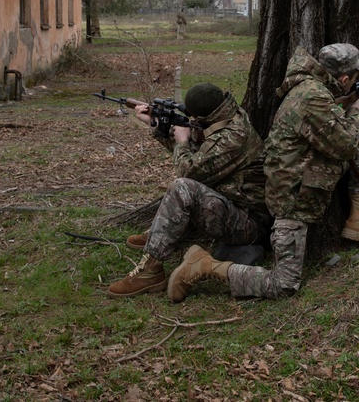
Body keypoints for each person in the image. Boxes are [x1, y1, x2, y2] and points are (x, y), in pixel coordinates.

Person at [166, 43, 359, 303]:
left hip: (298, 186)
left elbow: (337, 130)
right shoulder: (312, 98)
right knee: (284, 284)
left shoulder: (311, 88)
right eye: (354, 78)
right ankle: (205, 266)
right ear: (343, 78)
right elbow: (346, 144)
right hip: (293, 200)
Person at [107, 82, 271, 298]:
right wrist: (158, 126)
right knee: (184, 188)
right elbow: (200, 155)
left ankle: (150, 271)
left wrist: (182, 140)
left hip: (250, 223)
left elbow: (189, 170)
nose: (192, 121)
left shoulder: (232, 137)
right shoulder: (229, 115)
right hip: (235, 206)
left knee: (182, 187)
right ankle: (160, 236)